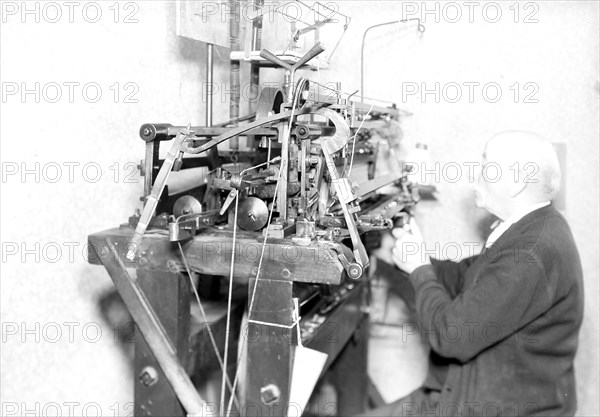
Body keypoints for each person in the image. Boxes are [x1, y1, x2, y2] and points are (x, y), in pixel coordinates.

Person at [365, 131, 584, 417]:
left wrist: (419, 269)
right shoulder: (533, 227)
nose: (474, 178)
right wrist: (399, 252)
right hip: (464, 392)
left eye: (486, 167)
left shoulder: (533, 252)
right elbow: (463, 275)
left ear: (517, 182)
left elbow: (451, 336)